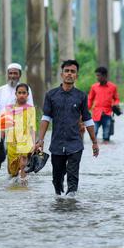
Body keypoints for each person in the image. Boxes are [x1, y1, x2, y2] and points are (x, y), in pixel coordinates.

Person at [34, 60, 99, 197]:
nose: (69, 74)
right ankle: (59, 203)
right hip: (57, 144)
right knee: (57, 180)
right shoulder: (51, 95)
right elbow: (46, 118)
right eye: (67, 71)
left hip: (75, 143)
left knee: (72, 177)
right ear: (62, 74)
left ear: (76, 75)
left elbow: (87, 119)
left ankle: (71, 204)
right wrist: (40, 140)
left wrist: (94, 142)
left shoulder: (81, 96)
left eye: (73, 72)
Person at [4, 83, 36, 186]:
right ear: (16, 94)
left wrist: (34, 143)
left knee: (23, 165)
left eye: (24, 93)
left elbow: (32, 127)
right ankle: (14, 188)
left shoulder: (31, 109)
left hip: (25, 140)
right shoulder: (9, 108)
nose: (21, 95)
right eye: (19, 93)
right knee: (12, 171)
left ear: (27, 95)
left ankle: (23, 186)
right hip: (12, 141)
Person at [88, 67, 120, 142]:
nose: (97, 78)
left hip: (107, 114)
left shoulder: (113, 87)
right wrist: (86, 111)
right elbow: (90, 99)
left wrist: (115, 104)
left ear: (105, 76)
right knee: (93, 134)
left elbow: (116, 99)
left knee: (106, 136)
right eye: (97, 75)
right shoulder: (94, 87)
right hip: (96, 114)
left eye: (99, 75)